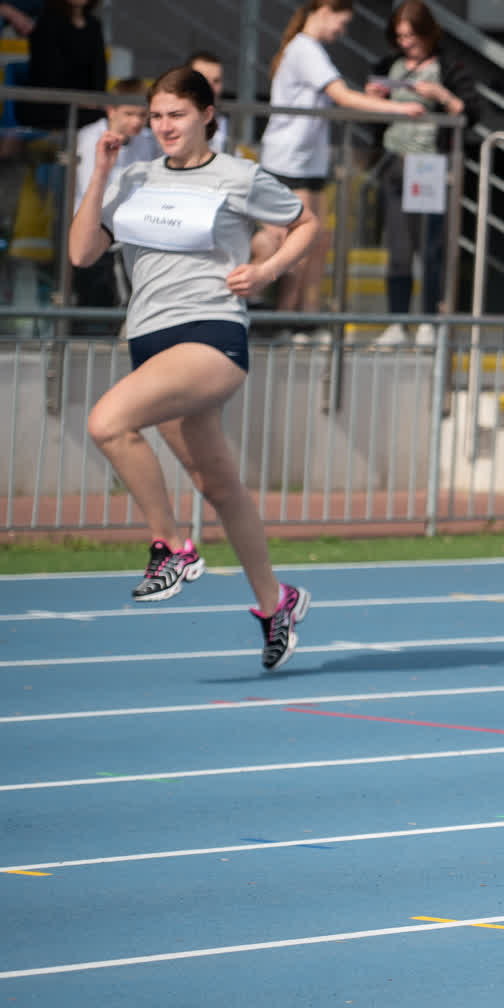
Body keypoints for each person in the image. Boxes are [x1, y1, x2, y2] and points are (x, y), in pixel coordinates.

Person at [67, 67, 319, 669]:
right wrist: (100, 173)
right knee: (218, 487)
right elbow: (81, 253)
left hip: (211, 333)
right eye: (156, 116)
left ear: (207, 115)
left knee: (108, 422)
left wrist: (267, 271)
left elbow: (306, 222)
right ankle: (276, 602)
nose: (164, 125)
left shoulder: (238, 175)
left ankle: (173, 546)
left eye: (176, 114)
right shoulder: (133, 177)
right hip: (149, 341)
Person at [257, 0, 425, 343]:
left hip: (309, 161)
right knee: (300, 245)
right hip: (288, 161)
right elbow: (342, 97)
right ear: (324, 11)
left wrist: (376, 99)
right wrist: (397, 108)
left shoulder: (310, 49)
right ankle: (286, 320)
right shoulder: (304, 49)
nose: (342, 31)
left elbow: (341, 95)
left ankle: (307, 318)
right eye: (342, 22)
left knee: (317, 242)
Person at [367, 1, 476, 347]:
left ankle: (429, 319)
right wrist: (375, 98)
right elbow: (372, 113)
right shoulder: (389, 65)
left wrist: (442, 95)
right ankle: (397, 321)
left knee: (430, 246)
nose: (406, 44)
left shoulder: (448, 66)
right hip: (394, 161)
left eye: (411, 36)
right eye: (400, 37)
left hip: (429, 163)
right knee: (398, 247)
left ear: (428, 34)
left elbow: (471, 113)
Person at [70, 79, 154, 324]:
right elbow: (91, 192)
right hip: (95, 233)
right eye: (129, 114)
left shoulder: (149, 140)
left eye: (142, 115)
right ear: (111, 110)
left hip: (131, 235)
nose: (136, 122)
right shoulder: (89, 138)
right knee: (94, 308)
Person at [18, 0, 105, 130]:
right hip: (49, 102)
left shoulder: (94, 25)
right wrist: (78, 100)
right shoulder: (47, 23)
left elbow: (99, 70)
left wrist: (94, 99)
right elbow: (47, 72)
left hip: (85, 104)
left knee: (109, 116)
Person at [186, 51, 231, 153]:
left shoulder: (228, 123)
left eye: (216, 81)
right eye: (203, 80)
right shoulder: (164, 122)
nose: (210, 87)